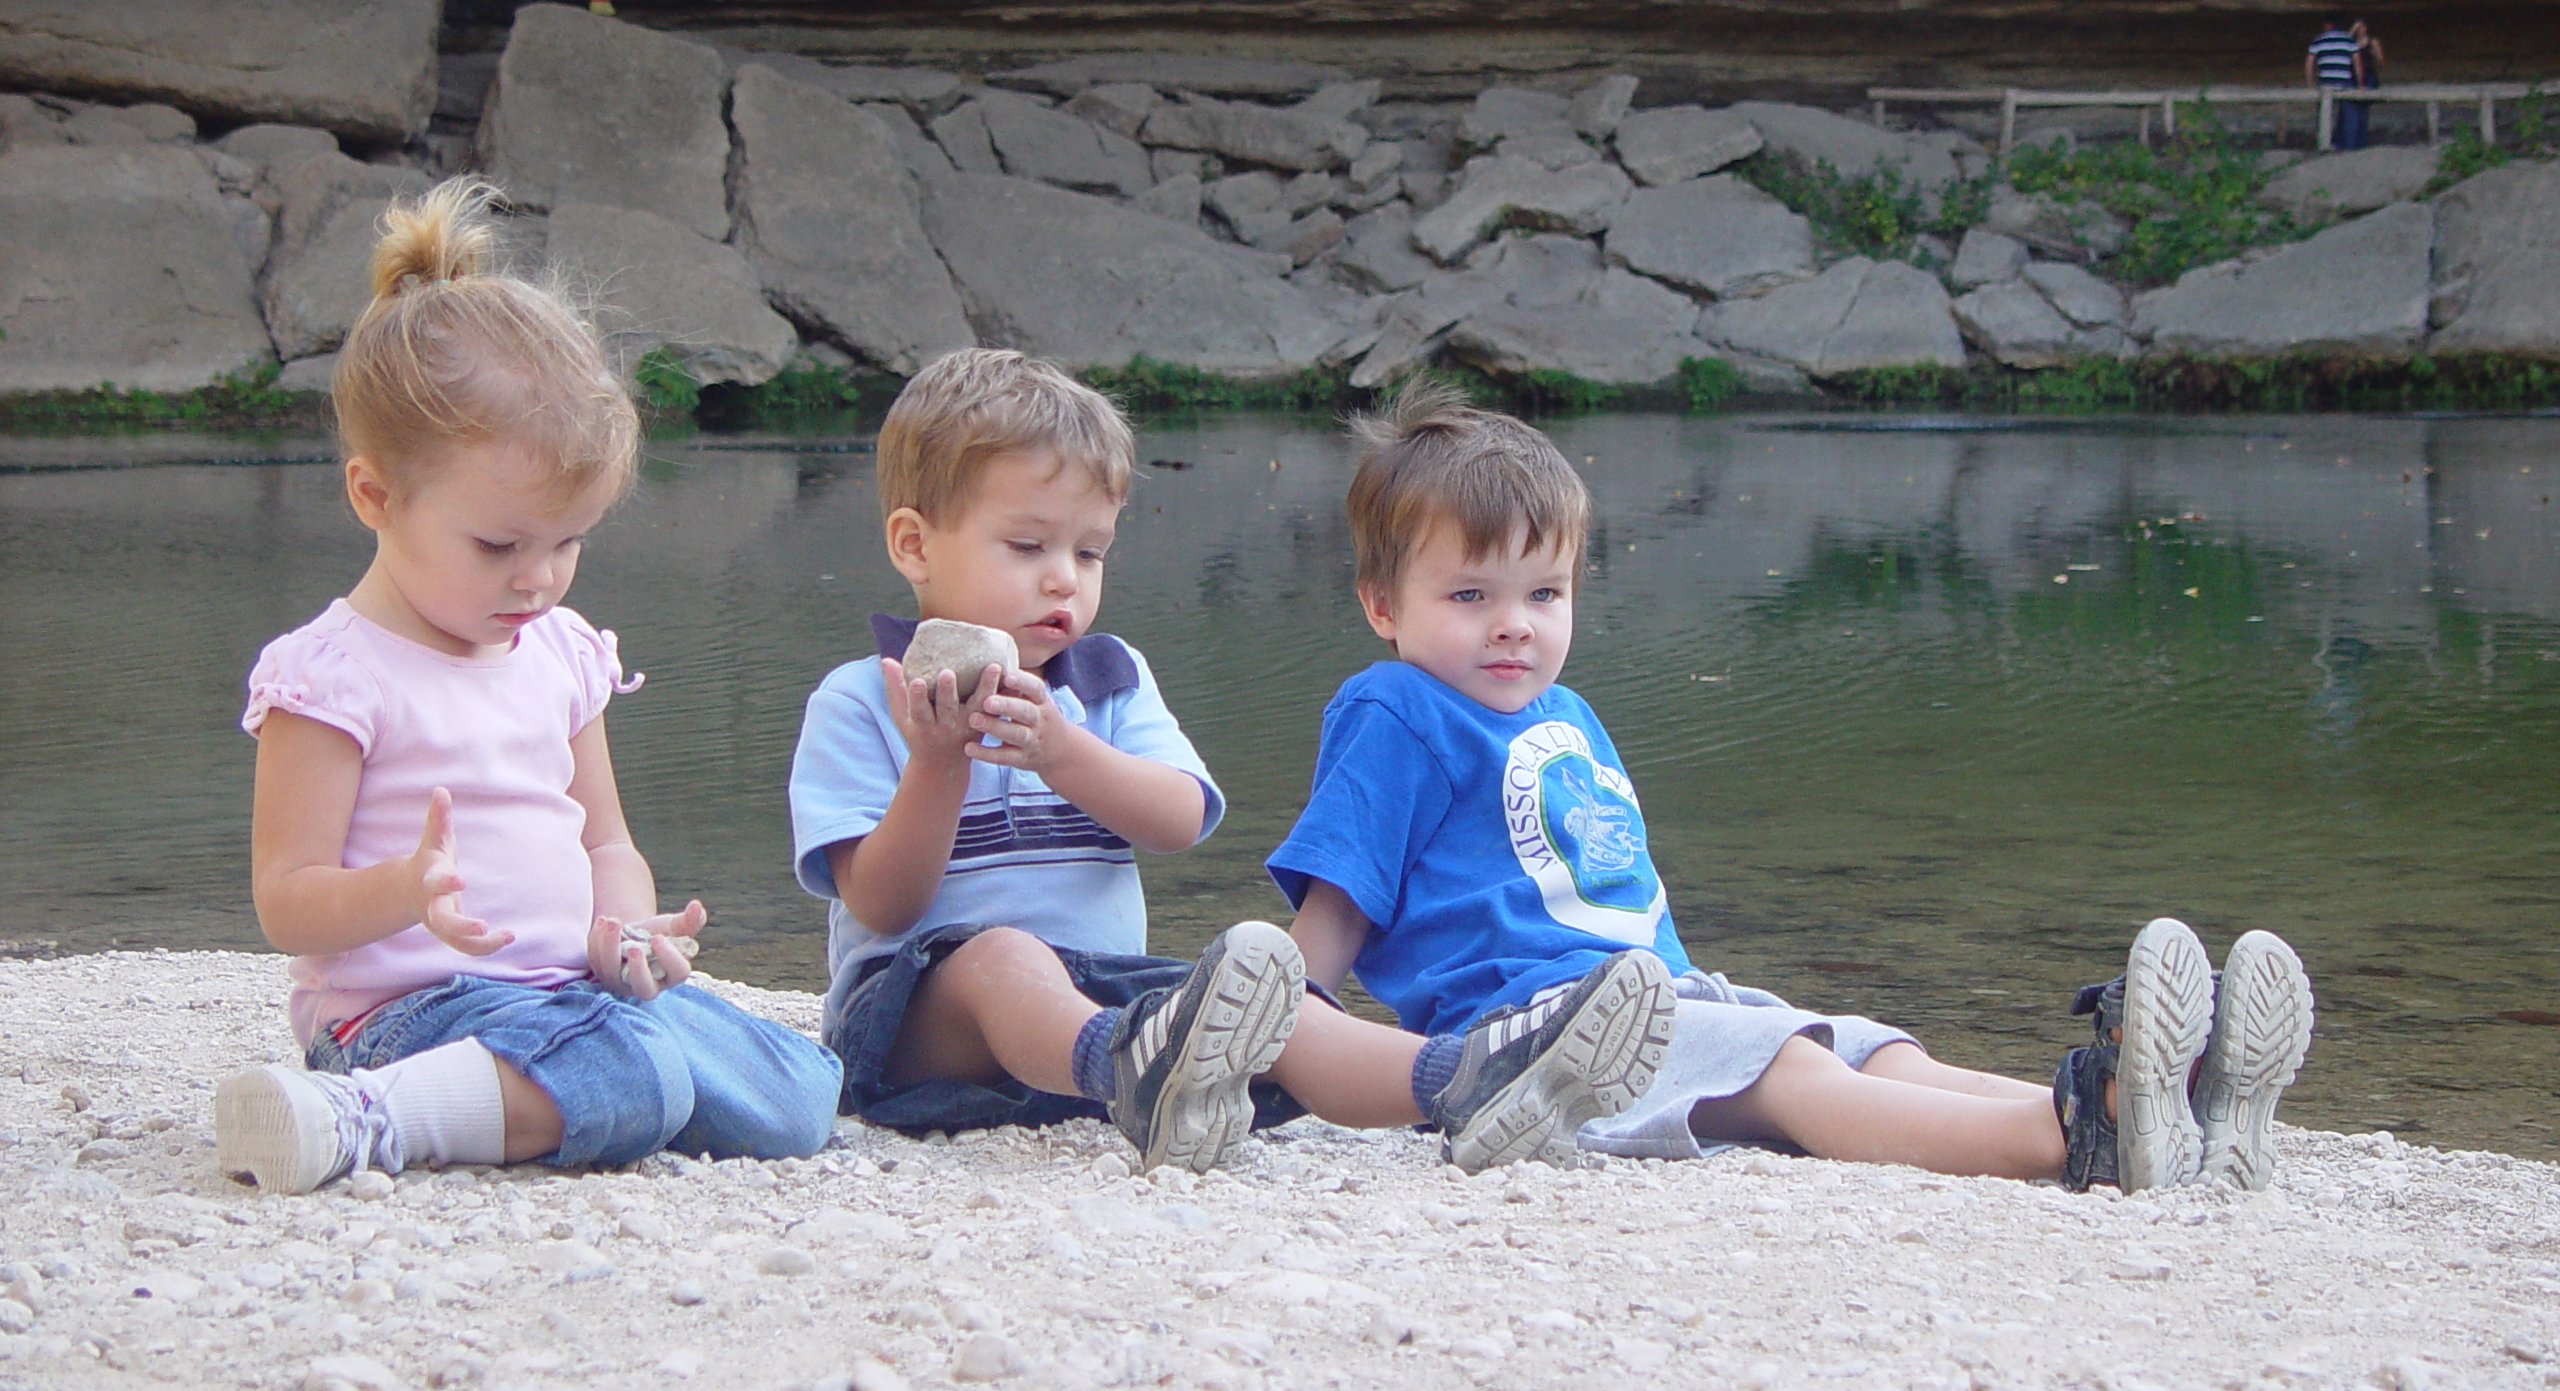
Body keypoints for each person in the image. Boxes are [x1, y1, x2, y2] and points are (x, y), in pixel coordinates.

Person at [1267, 382, 2317, 1191]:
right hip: (1548, 1037)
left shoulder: (1564, 712)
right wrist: (1292, 1029)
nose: (1515, 623)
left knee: (1867, 1046)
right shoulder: (1394, 708)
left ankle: (2166, 1102)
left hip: (1668, 999)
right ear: (1381, 604)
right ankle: (2075, 1133)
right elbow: (1332, 918)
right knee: (1796, 1079)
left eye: (1544, 592)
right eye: (1470, 594)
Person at [787, 349, 1677, 1174]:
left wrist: (1063, 752)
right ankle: (1127, 1070)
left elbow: (1176, 821)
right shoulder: (865, 700)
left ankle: (1464, 1082)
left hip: (1105, 1001)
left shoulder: (1108, 682)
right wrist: (937, 765)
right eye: (1029, 547)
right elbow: (882, 902)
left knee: (1270, 1003)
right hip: (911, 1031)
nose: (1066, 579)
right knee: (1001, 956)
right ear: (914, 544)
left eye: (1090, 551)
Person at [213, 181, 842, 1195]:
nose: (538, 578)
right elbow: (286, 903)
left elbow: (602, 840)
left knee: (800, 1090)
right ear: (375, 495)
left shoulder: (557, 652)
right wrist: (400, 893)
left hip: (563, 993)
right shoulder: (332, 677)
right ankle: (362, 1115)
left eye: (568, 543)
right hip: (405, 1015)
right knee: (632, 1075)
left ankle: (572, 1085)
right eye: (500, 544)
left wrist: (627, 929)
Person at [2307, 12, 2368, 151]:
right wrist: (2360, 84)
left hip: (2325, 82)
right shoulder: (2348, 40)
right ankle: (2349, 146)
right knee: (2349, 114)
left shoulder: (2318, 40)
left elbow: (2309, 63)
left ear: (2327, 25)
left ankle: (2324, 144)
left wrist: (2310, 83)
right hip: (2344, 81)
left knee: (2324, 113)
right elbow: (2357, 63)